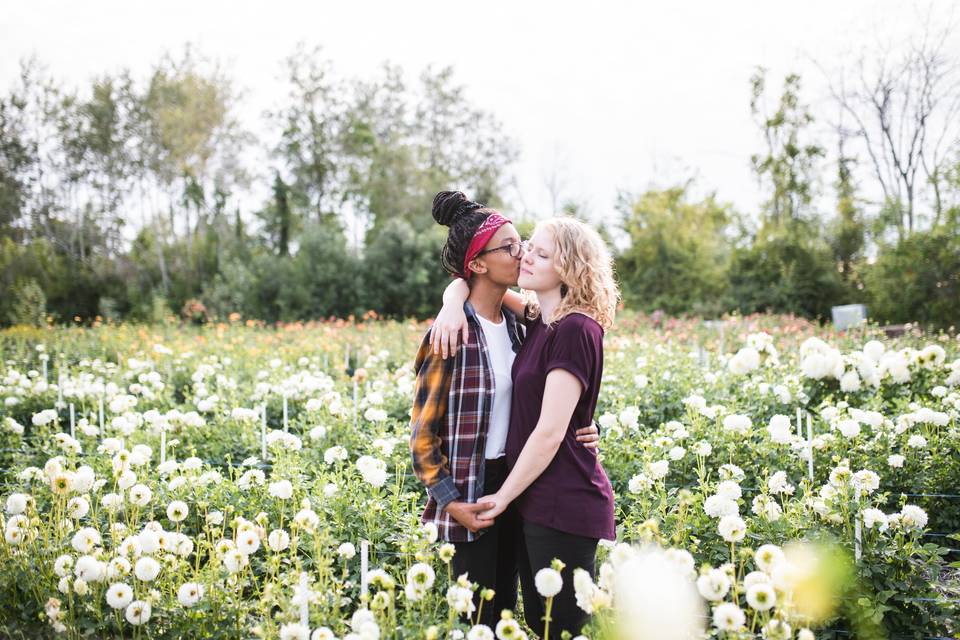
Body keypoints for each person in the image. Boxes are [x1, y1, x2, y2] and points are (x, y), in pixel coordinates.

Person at [409, 192, 600, 628]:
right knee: (477, 617)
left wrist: (586, 425)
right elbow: (421, 437)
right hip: (470, 490)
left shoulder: (523, 323)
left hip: (519, 483)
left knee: (514, 618)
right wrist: (450, 503)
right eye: (511, 247)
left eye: (526, 244)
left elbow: (549, 393)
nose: (523, 254)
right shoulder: (449, 335)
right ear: (478, 264)